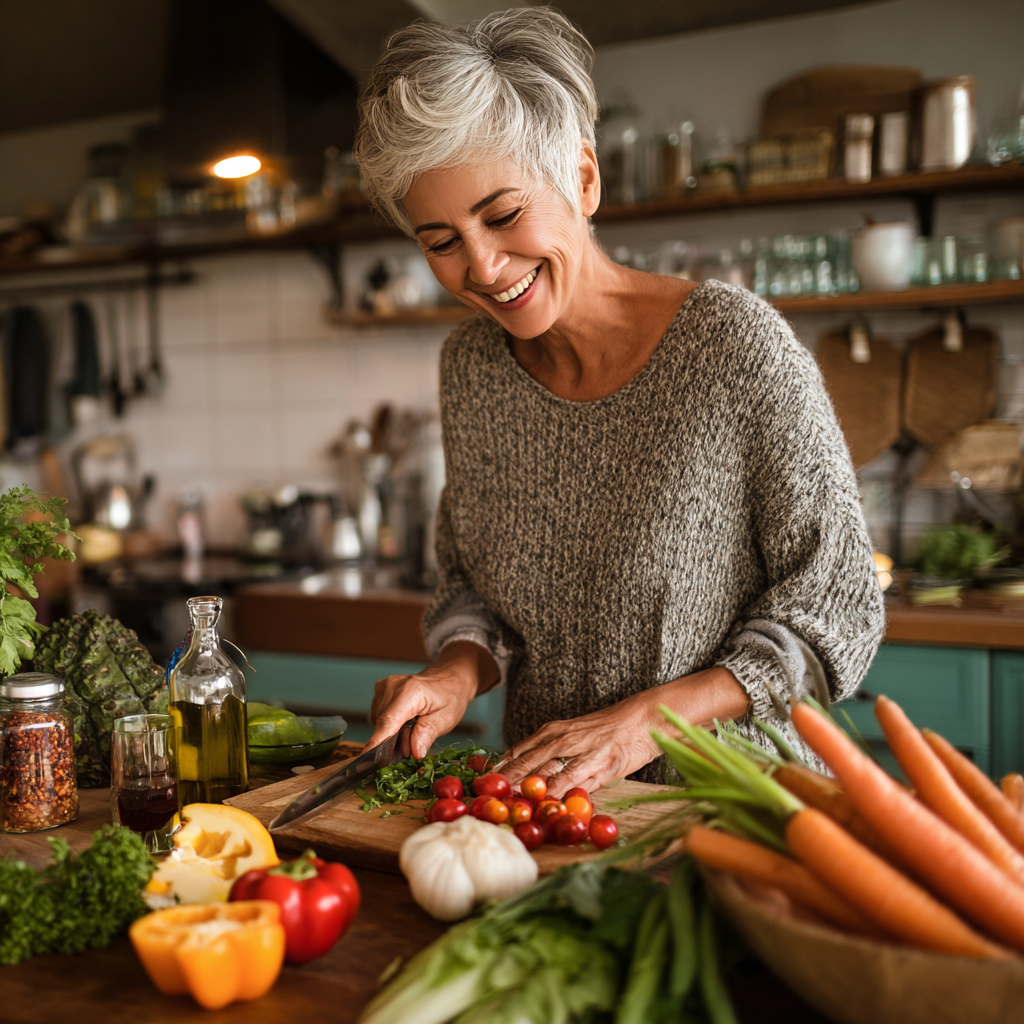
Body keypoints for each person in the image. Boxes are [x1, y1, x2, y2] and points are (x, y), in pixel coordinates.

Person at [354, 8, 884, 793]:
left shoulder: (732, 346)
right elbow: (476, 592)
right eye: (441, 241)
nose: (484, 265)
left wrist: (647, 721)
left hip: (738, 813)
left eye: (502, 215)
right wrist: (455, 674)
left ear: (584, 179)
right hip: (552, 812)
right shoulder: (471, 367)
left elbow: (838, 604)